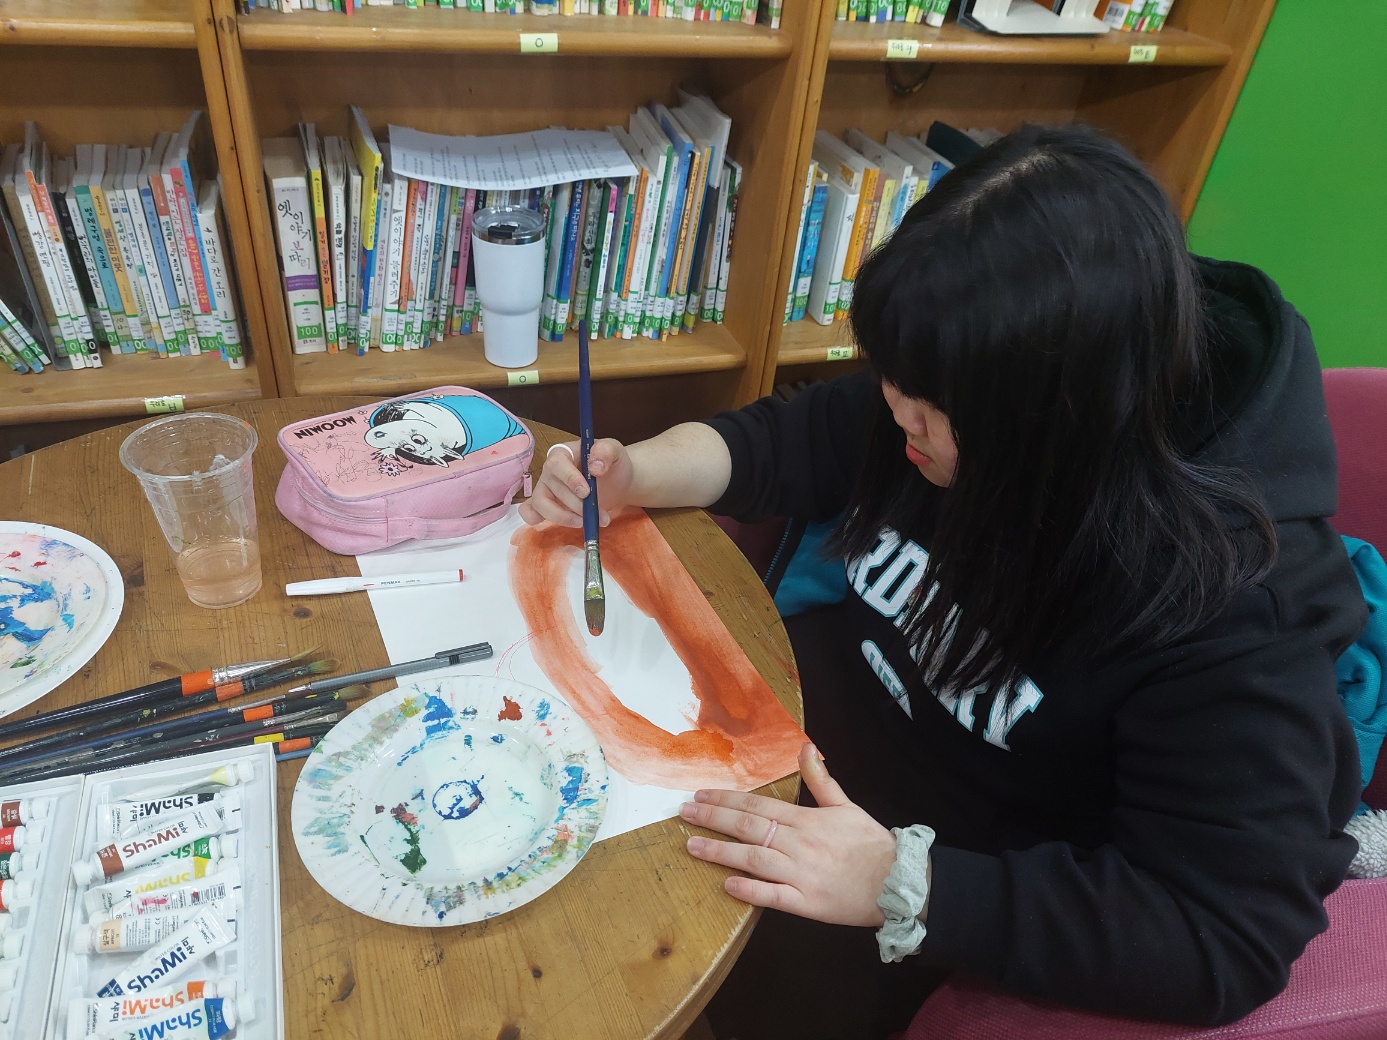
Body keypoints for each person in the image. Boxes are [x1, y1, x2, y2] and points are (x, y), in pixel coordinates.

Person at [519, 124, 1367, 1039]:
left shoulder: (1233, 610)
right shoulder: (964, 385)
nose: (896, 416)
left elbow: (1220, 935)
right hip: (780, 753)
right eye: (893, 380)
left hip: (940, 888)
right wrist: (633, 472)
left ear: (1058, 421)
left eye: (928, 408)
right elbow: (793, 439)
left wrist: (903, 886)